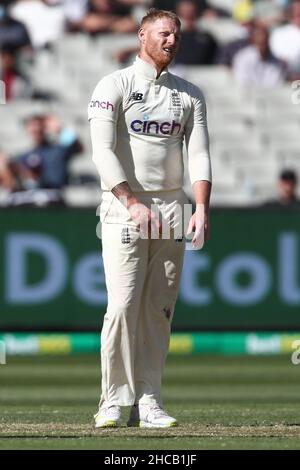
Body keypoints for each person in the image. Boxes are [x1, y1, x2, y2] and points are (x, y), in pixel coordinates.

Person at [88, 8, 212, 428]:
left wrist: (201, 209)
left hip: (173, 209)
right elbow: (101, 150)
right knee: (122, 305)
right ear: (142, 35)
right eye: (163, 33)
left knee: (159, 309)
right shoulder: (114, 84)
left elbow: (199, 154)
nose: (171, 41)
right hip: (124, 209)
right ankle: (112, 402)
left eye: (176, 35)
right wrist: (129, 200)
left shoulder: (189, 93)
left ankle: (150, 402)